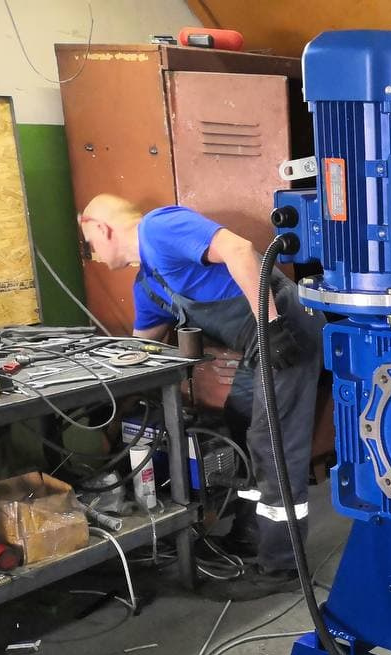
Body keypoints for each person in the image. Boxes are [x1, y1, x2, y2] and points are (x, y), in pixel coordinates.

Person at [77, 194, 322, 600]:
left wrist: (272, 325)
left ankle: (283, 565)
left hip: (286, 332)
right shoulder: (149, 287)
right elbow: (142, 352)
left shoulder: (159, 228)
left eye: (90, 245)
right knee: (242, 425)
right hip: (259, 345)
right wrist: (112, 401)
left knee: (273, 442)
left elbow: (239, 250)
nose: (93, 256)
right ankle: (250, 536)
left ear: (102, 228)